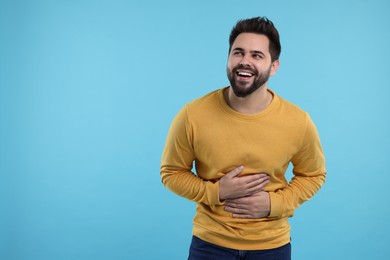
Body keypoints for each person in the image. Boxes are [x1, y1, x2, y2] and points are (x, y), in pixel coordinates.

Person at [160, 16, 326, 260]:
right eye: (238, 53)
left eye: (257, 55)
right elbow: (171, 173)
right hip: (210, 244)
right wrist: (215, 192)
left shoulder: (298, 121)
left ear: (274, 66)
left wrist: (274, 204)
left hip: (272, 246)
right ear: (228, 58)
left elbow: (314, 175)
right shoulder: (191, 115)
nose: (244, 61)